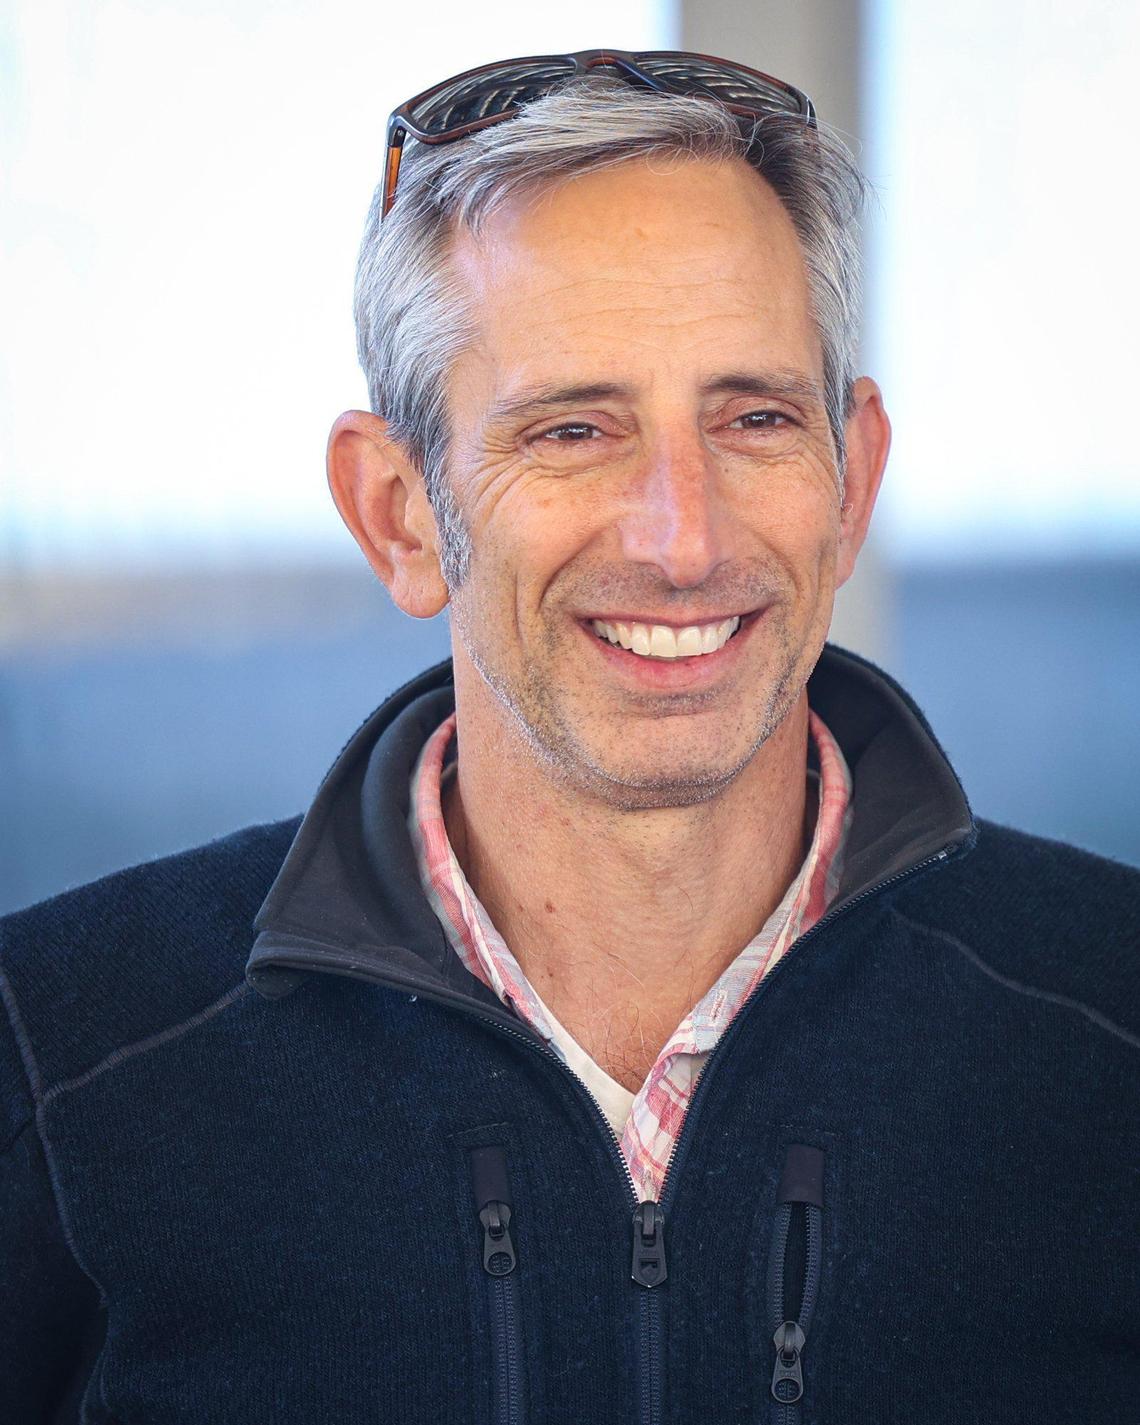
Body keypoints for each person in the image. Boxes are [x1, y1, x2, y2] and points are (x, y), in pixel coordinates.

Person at [1, 48, 1137, 1424]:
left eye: (756, 417)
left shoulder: (1109, 1031)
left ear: (853, 482)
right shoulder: (56, 1065)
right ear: (399, 514)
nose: (683, 536)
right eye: (575, 429)